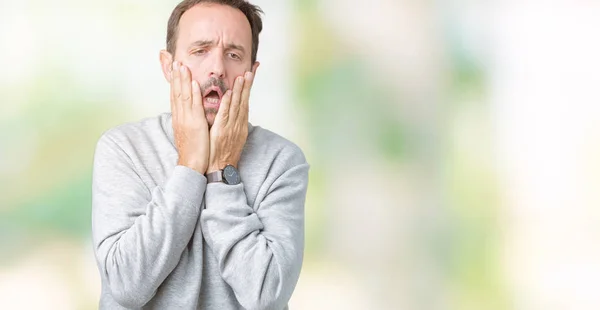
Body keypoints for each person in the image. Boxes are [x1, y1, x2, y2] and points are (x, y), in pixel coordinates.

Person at [91, 1, 309, 309]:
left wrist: (222, 171)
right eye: (199, 50)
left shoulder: (282, 161)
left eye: (234, 55)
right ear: (168, 66)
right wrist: (190, 166)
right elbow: (126, 286)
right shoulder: (123, 148)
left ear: (251, 72)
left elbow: (266, 295)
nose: (217, 68)